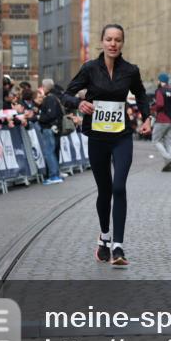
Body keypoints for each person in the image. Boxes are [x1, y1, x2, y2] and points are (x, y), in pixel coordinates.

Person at [64, 24, 151, 268]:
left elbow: (142, 94)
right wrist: (78, 103)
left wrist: (147, 117)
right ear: (102, 42)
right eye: (109, 39)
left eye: (118, 40)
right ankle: (104, 237)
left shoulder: (130, 70)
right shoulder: (90, 68)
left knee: (119, 186)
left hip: (121, 136)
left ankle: (118, 246)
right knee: (104, 191)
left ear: (123, 43)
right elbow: (66, 94)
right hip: (98, 138)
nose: (113, 44)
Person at [36, 78, 64, 184]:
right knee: (52, 152)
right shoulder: (55, 98)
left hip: (49, 128)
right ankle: (55, 174)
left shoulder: (50, 98)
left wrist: (39, 117)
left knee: (49, 153)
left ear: (44, 87)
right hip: (54, 128)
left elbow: (50, 115)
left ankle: (53, 175)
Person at [151, 72, 171, 172]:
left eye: (158, 80)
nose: (157, 82)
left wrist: (152, 107)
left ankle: (168, 158)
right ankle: (169, 166)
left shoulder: (160, 91)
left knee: (156, 140)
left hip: (162, 119)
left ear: (160, 81)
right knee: (168, 142)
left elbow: (159, 104)